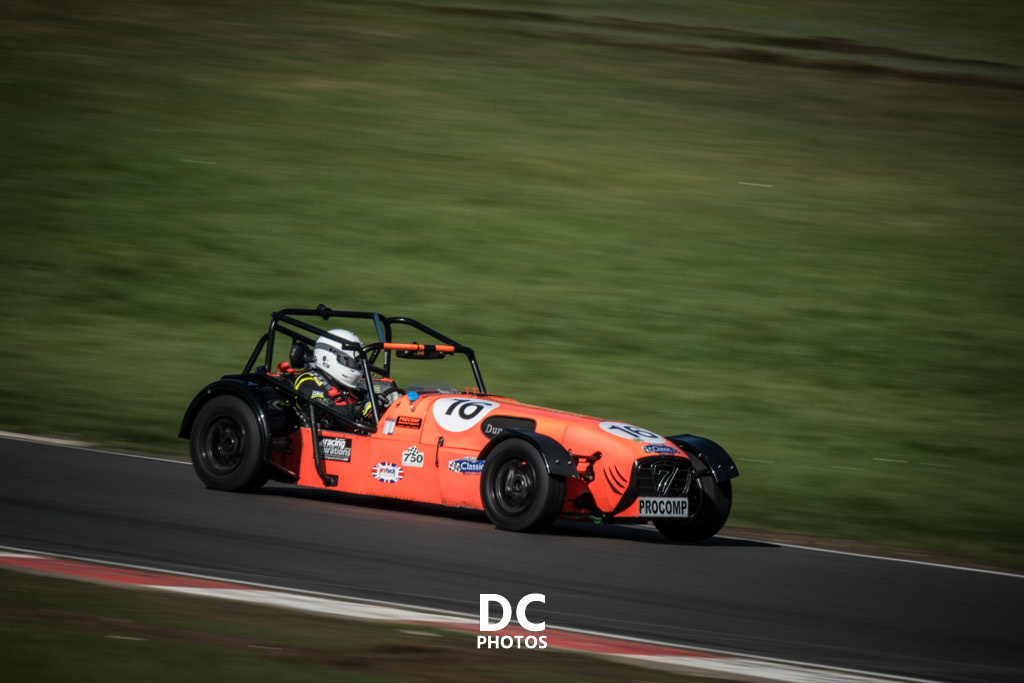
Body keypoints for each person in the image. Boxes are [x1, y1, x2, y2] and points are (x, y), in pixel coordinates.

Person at [293, 329, 373, 426]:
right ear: (326, 358)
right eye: (349, 361)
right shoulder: (308, 382)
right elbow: (324, 410)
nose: (355, 365)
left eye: (356, 362)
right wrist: (358, 410)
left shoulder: (345, 387)